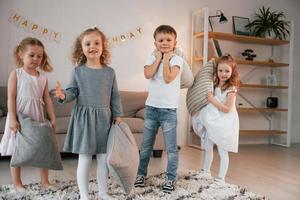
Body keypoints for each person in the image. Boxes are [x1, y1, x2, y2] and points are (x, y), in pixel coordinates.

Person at [55, 27, 122, 200]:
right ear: (81, 48)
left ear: (103, 46)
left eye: (96, 43)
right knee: (84, 159)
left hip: (104, 121)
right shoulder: (78, 71)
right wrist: (63, 95)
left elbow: (115, 95)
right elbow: (72, 92)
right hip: (84, 121)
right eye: (87, 43)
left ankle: (103, 192)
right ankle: (84, 195)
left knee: (103, 159)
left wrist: (118, 114)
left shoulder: (110, 72)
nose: (92, 46)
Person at [0, 37, 56, 190]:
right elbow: (11, 98)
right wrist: (12, 119)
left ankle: (45, 181)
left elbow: (47, 99)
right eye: (32, 55)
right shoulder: (16, 74)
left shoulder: (43, 78)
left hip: (37, 116)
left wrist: (52, 117)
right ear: (21, 54)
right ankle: (17, 183)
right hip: (20, 117)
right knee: (17, 150)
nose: (36, 59)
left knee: (43, 148)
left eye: (39, 56)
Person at [134, 25, 183, 193]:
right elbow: (148, 74)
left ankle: (170, 178)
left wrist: (167, 58)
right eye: (161, 40)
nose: (165, 43)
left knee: (171, 148)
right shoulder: (151, 57)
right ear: (155, 43)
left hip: (168, 111)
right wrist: (158, 59)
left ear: (175, 42)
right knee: (146, 146)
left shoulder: (177, 59)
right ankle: (141, 175)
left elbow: (169, 78)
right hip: (152, 109)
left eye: (168, 40)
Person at [192, 54, 240, 184]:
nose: (223, 74)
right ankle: (206, 171)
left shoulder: (231, 89)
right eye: (220, 70)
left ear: (232, 72)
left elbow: (227, 109)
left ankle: (221, 178)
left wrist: (213, 100)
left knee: (222, 150)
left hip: (224, 122)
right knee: (208, 146)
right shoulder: (213, 84)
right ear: (216, 70)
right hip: (213, 120)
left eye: (227, 71)